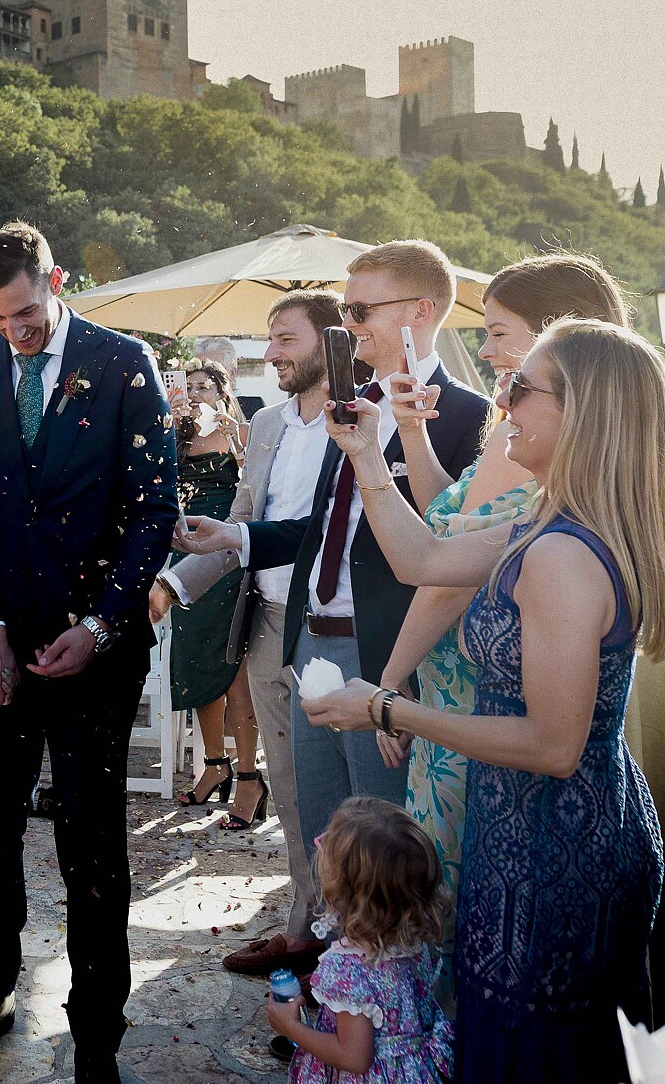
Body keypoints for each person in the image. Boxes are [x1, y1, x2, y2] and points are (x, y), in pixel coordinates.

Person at [300, 317, 665, 1082]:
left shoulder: (561, 554)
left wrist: (384, 708)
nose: (501, 400)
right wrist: (366, 452)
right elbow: (427, 559)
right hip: (526, 827)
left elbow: (552, 744)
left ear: (583, 413)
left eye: (520, 386)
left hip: (553, 850)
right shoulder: (547, 518)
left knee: (537, 1054)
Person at [0, 222, 179, 1081]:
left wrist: (104, 624)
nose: (16, 332)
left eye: (27, 312)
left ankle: (96, 1031)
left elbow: (155, 509)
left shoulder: (123, 363)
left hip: (96, 652)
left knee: (92, 845)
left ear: (57, 279)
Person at [176, 242, 490, 913]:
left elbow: (451, 555)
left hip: (384, 651)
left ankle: (380, 999)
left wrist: (396, 678)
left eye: (358, 308)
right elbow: (320, 528)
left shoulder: (467, 414)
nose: (347, 325)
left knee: (382, 844)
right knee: (324, 830)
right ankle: (329, 972)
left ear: (419, 310)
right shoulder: (347, 403)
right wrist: (238, 536)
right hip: (308, 641)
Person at [369, 252, 628, 1005]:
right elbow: (453, 519)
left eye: (499, 332)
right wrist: (411, 434)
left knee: (451, 905)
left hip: (473, 687)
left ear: (560, 337)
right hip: (462, 679)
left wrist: (389, 680)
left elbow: (443, 571)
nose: (482, 350)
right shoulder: (512, 431)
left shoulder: (552, 468)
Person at [152, 291, 341, 1035]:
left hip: (332, 628)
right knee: (291, 794)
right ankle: (302, 928)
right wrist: (170, 585)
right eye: (270, 339)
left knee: (339, 804)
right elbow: (239, 528)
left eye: (285, 339)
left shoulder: (364, 420)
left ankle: (347, 956)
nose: (272, 353)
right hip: (262, 623)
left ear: (329, 341)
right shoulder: (264, 424)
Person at [266, 798, 454, 1084]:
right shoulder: (416, 944)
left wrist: (290, 1027)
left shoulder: (347, 969)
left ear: (345, 888)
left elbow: (354, 1058)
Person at [166, 360, 260, 828]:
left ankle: (248, 775)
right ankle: (214, 764)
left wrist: (239, 443)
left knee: (235, 666)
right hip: (185, 554)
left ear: (224, 391)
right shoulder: (175, 434)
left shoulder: (242, 431)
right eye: (191, 386)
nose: (198, 393)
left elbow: (260, 493)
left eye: (206, 386)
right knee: (196, 664)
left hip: (228, 553)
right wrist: (164, 418)